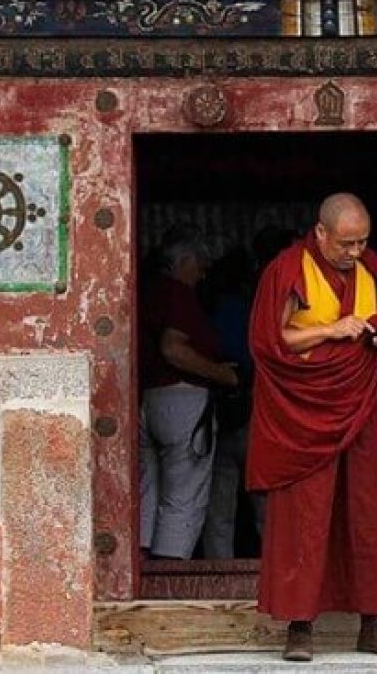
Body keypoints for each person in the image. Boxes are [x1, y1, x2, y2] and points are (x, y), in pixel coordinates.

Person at [246, 193, 377, 662]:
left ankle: (374, 622)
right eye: (346, 243)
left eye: (362, 242)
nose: (354, 253)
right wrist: (332, 330)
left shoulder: (374, 270)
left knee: (368, 512)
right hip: (305, 413)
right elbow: (274, 340)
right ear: (320, 233)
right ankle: (299, 628)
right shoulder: (289, 270)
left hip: (364, 407)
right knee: (305, 517)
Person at [139, 233, 239, 560]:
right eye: (199, 264)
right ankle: (168, 574)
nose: (203, 273)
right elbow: (173, 348)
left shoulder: (146, 291)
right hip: (181, 400)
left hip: (149, 400)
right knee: (184, 494)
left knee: (148, 491)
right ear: (182, 262)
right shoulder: (178, 294)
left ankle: (141, 566)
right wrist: (224, 375)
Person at [201, 246, 265, 559]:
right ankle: (276, 566)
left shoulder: (209, 310)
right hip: (251, 409)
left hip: (217, 408)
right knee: (263, 496)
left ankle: (217, 566)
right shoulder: (250, 312)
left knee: (219, 501)